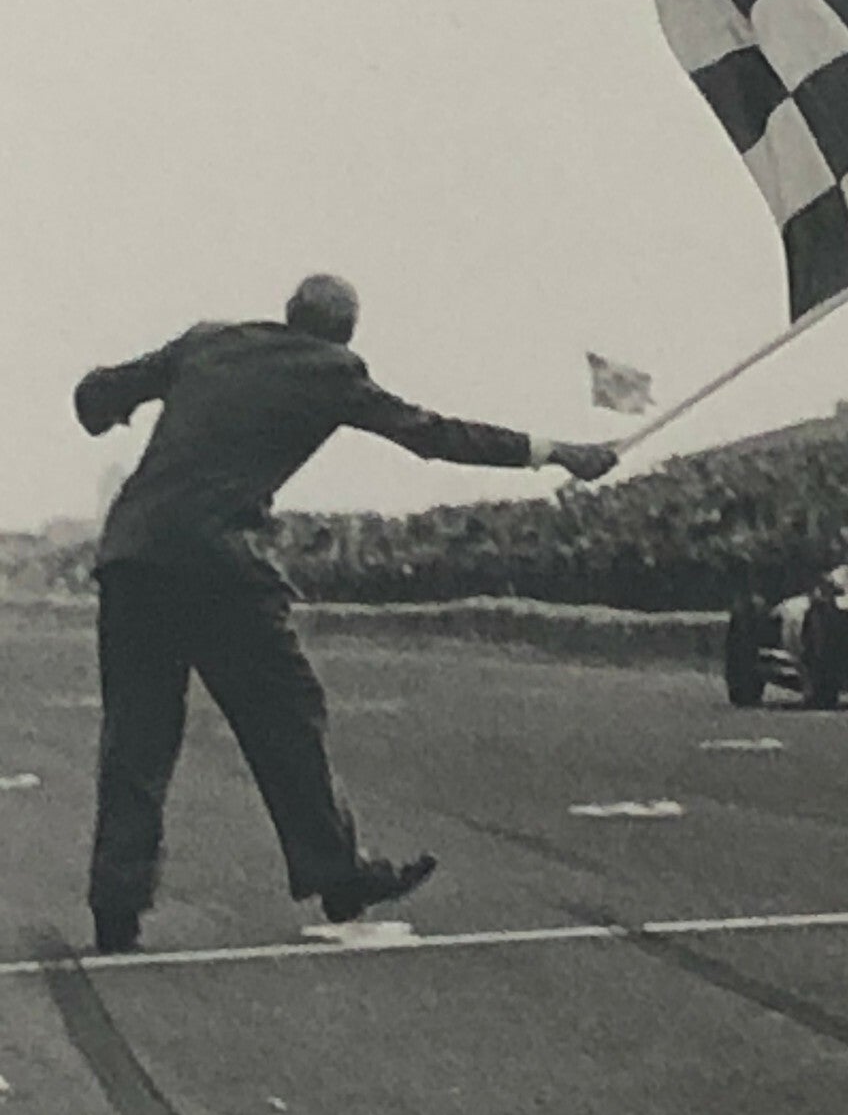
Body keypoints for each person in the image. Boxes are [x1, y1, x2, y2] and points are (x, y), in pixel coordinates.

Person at [73, 274, 617, 953]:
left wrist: (101, 402)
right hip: (217, 567)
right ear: (345, 332)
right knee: (285, 713)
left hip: (132, 557)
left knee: (138, 735)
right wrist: (554, 451)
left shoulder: (208, 343)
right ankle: (335, 872)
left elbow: (99, 395)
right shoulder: (332, 372)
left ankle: (116, 905)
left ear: (288, 312)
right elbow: (432, 434)